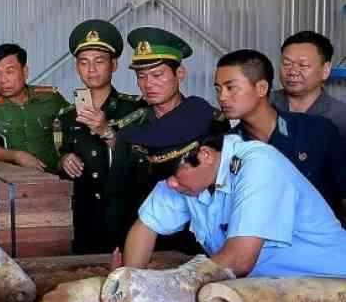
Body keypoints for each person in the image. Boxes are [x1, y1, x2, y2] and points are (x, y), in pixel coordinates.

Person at [119, 96, 346, 279]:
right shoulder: (186, 177)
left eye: (174, 177)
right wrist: (129, 279)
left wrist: (166, 284)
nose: (171, 184)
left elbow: (239, 260)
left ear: (205, 155)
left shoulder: (258, 165)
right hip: (266, 290)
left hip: (330, 289)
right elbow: (146, 227)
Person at [106, 27, 228, 253]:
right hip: (144, 235)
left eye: (157, 75)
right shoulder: (129, 127)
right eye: (141, 76)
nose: (148, 84)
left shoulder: (211, 121)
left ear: (179, 74)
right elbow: (120, 190)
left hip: (198, 240)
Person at [214, 49, 346, 223]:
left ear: (261, 88)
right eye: (218, 89)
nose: (222, 97)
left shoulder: (316, 130)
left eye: (231, 88)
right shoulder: (228, 147)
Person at [54, 20, 144, 254]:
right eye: (84, 62)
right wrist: (64, 161)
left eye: (99, 61)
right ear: (77, 67)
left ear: (114, 65)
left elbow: (143, 162)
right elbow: (60, 154)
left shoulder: (134, 109)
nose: (91, 69)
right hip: (80, 218)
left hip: (122, 218)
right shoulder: (67, 115)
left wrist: (107, 131)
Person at [0, 44, 69, 173]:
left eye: (9, 72)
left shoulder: (50, 98)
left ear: (25, 72)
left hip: (53, 175)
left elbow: (78, 126)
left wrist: (66, 157)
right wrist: (17, 156)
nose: (3, 80)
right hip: (11, 178)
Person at [271, 31, 346, 139]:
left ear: (325, 70)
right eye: (287, 64)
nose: (293, 72)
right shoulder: (262, 105)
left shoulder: (341, 116)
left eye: (303, 65)